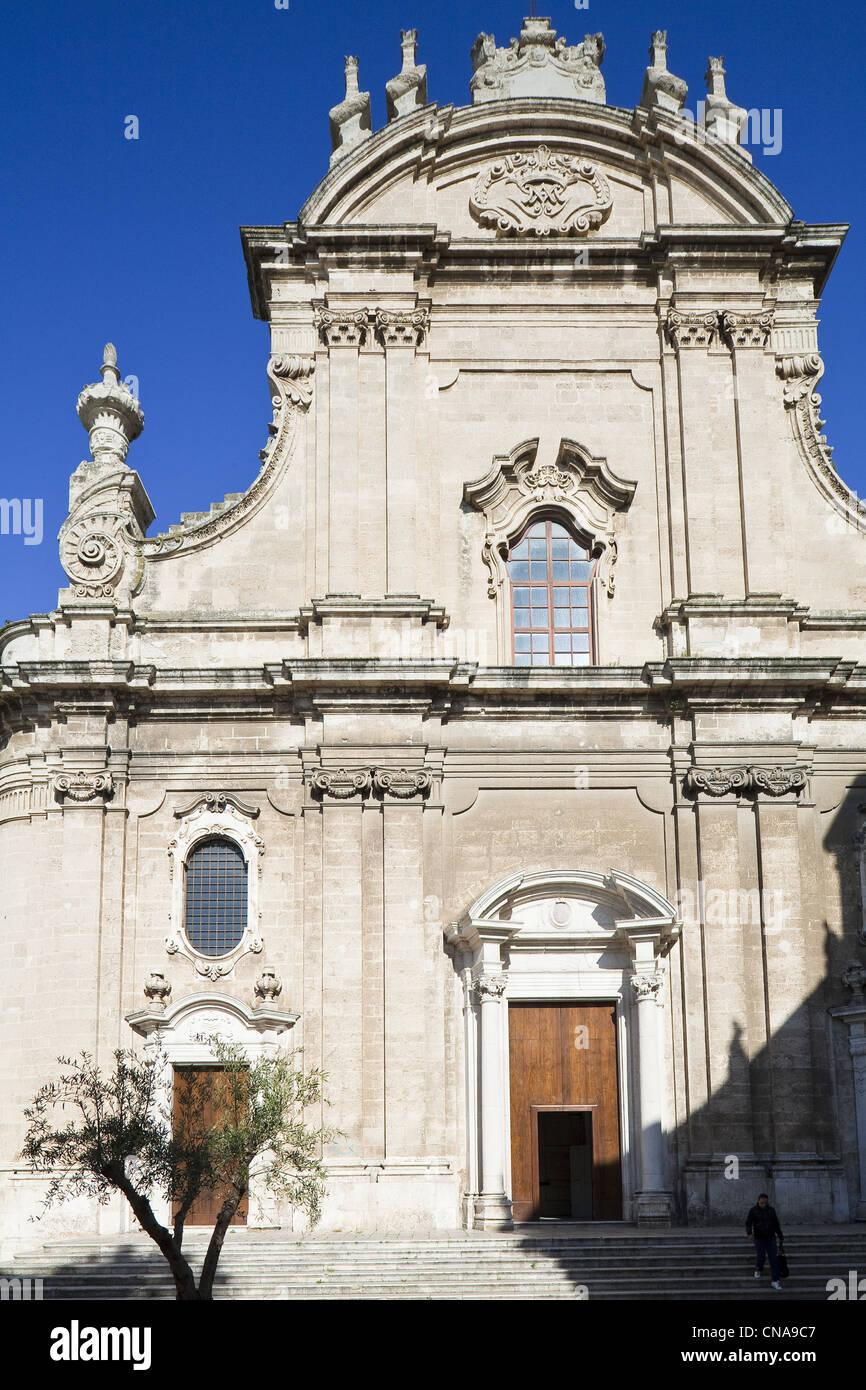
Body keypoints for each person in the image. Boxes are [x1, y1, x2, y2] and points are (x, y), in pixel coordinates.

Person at [746, 1193, 784, 1290]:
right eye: (762, 1203)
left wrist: (780, 1235)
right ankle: (758, 1268)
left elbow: (776, 1224)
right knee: (761, 1257)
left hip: (771, 1238)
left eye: (765, 1203)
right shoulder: (753, 1210)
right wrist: (749, 1233)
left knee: (773, 1260)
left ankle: (775, 1281)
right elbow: (748, 1223)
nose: (763, 1205)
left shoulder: (771, 1210)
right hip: (759, 1238)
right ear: (758, 1201)